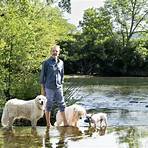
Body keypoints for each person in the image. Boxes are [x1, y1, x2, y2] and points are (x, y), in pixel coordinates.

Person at [40, 45, 68, 128]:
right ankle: (48, 124)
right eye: (53, 51)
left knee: (62, 104)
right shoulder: (46, 62)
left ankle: (65, 122)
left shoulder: (61, 63)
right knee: (48, 104)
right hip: (49, 87)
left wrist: (61, 83)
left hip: (59, 87)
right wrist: (42, 90)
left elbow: (62, 74)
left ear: (59, 52)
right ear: (51, 52)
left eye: (56, 51)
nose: (55, 52)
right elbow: (42, 77)